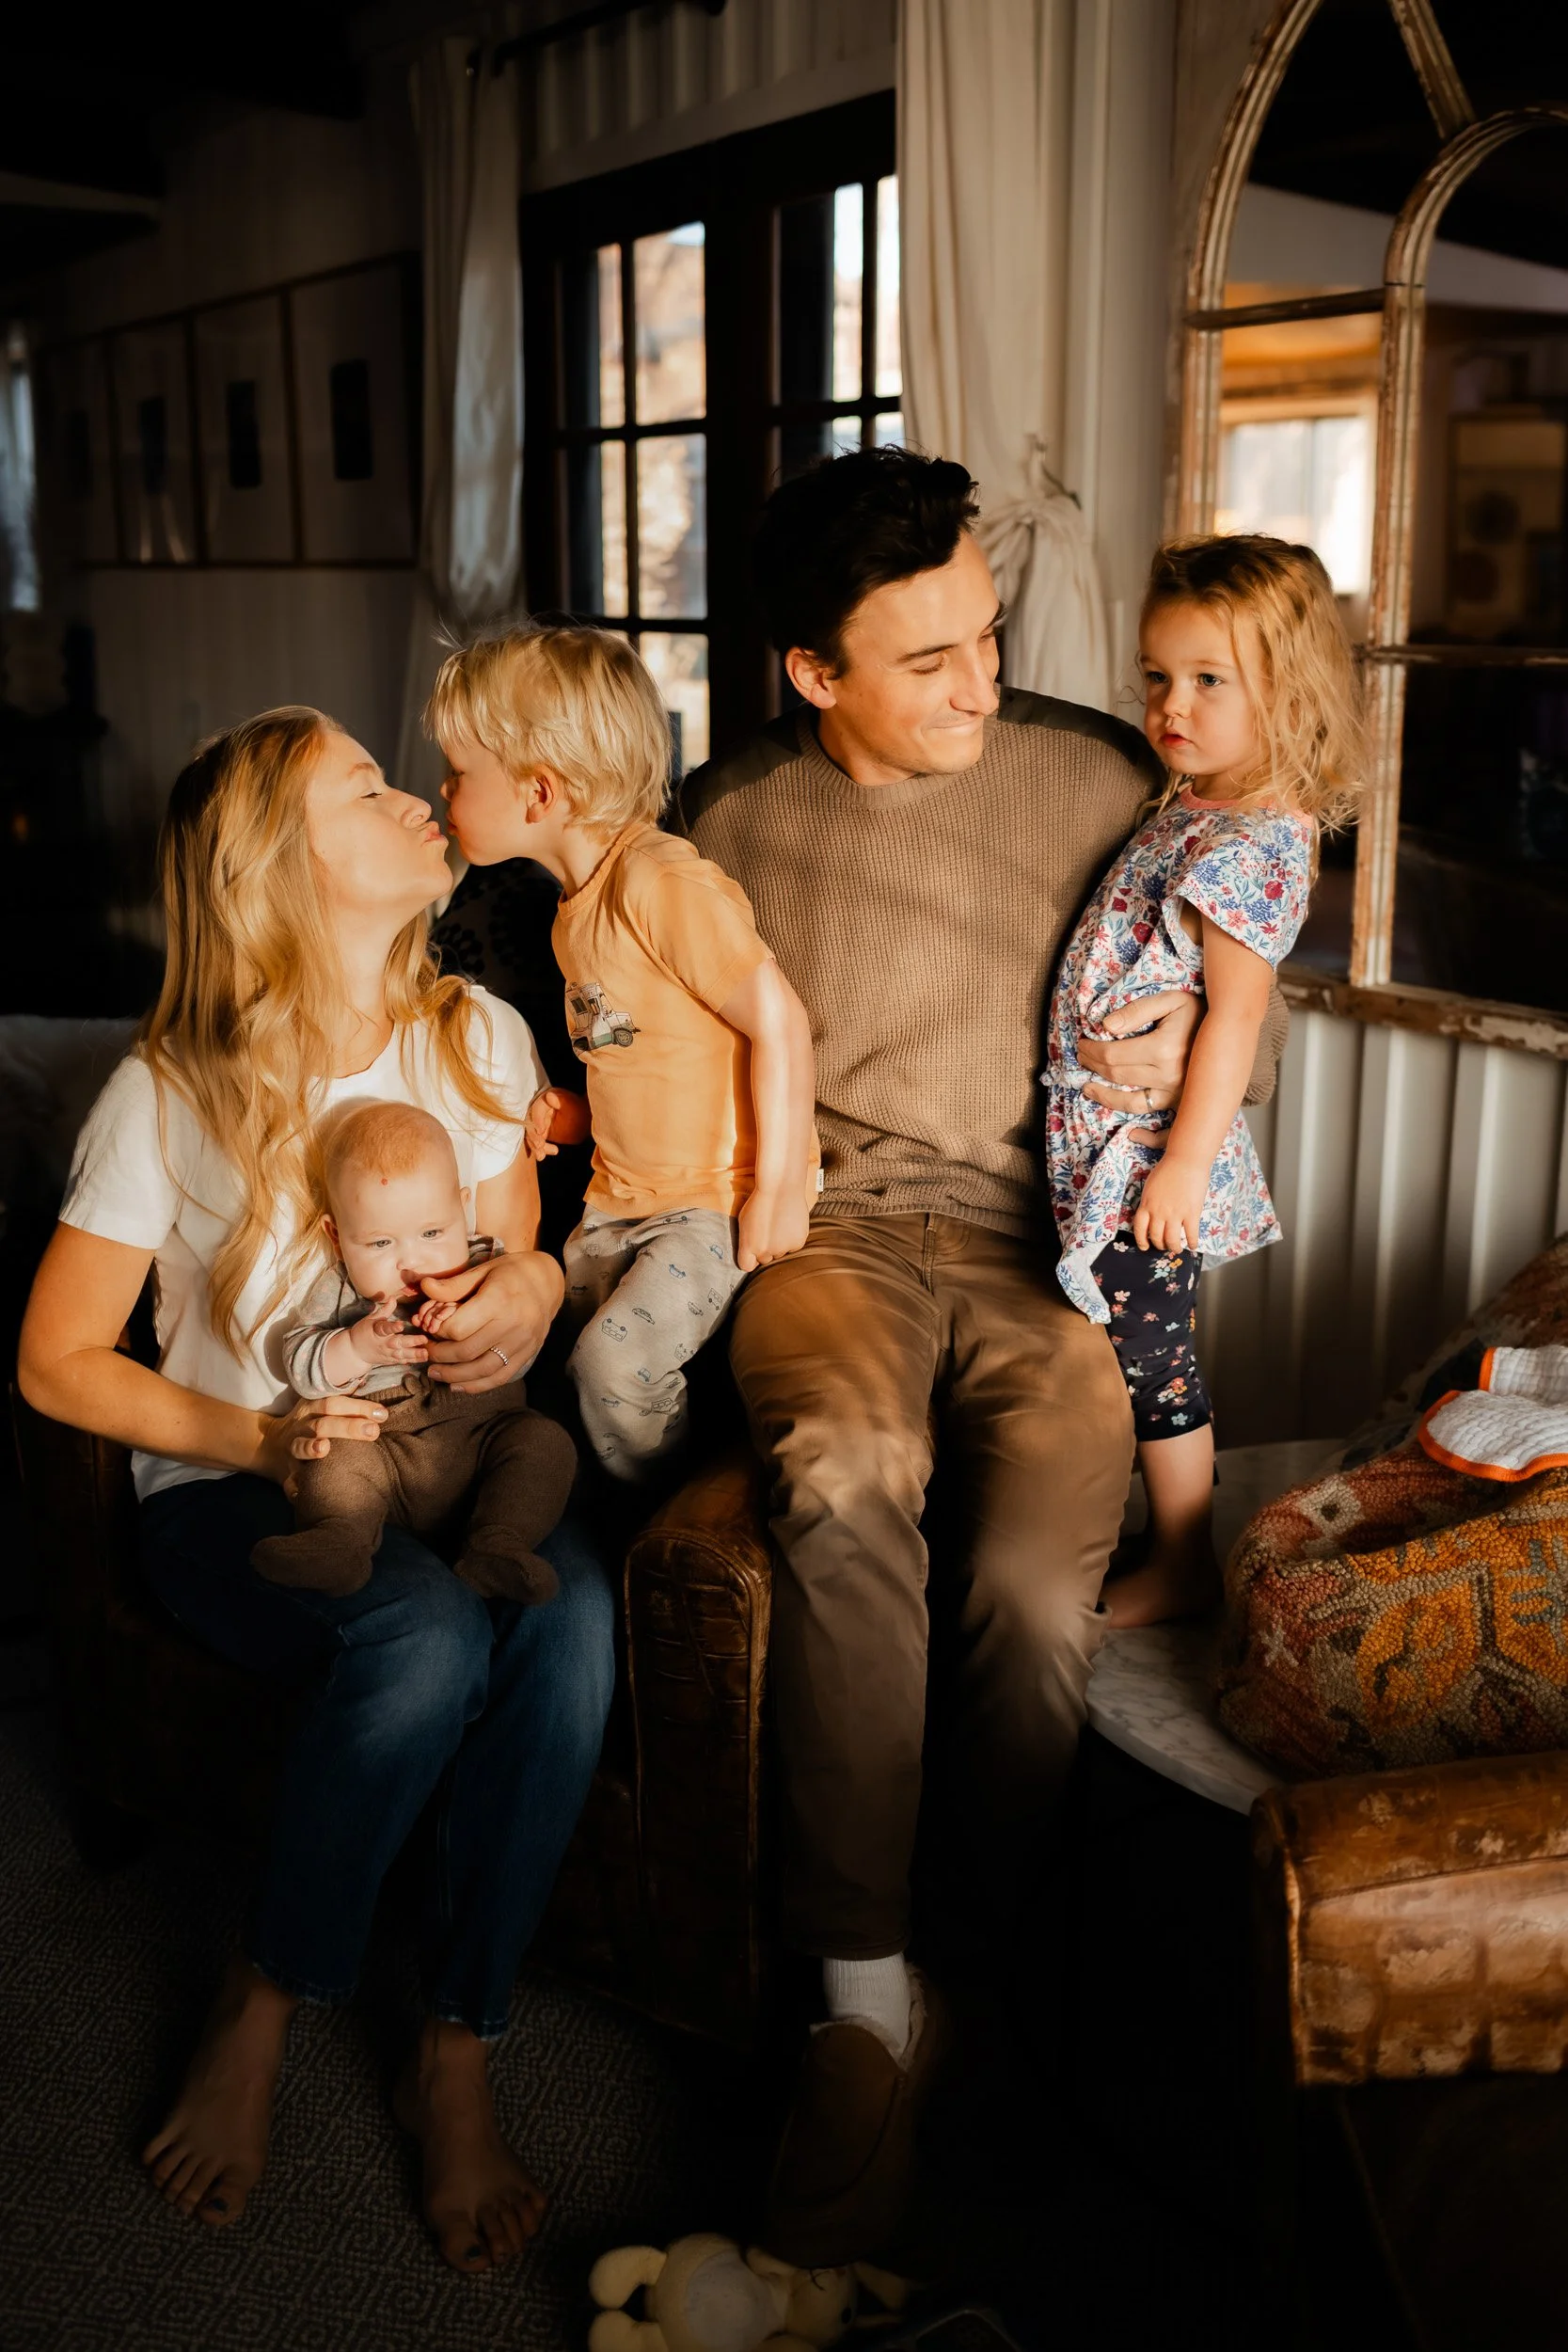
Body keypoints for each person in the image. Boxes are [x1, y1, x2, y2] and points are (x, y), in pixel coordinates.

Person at [671, 448, 1288, 2265]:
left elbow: (1244, 917)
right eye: (925, 656)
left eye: (987, 636)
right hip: (829, 1240)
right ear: (811, 672)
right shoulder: (725, 824)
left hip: (1048, 1251)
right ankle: (861, 2007)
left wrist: (1176, 1067)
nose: (977, 684)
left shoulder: (1104, 776)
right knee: (846, 1481)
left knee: (1036, 1593)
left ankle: (973, 1961)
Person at [16, 709, 614, 2272]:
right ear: (280, 865)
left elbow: (509, 1274)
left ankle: (457, 2041)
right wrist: (269, 1442)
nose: (418, 798)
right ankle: (264, 2000)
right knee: (414, 1638)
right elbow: (56, 1362)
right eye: (369, 787)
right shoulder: (167, 1091)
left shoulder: (482, 1036)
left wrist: (526, 1298)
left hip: (436, 1463)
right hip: (235, 1488)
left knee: (575, 1626)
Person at [1048, 534, 1362, 1628]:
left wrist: (1178, 1166)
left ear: (1285, 690)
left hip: (1146, 1156)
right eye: (1155, 675)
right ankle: (1147, 1534)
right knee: (1119, 1352)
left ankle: (1184, 1556)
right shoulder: (1192, 805)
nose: (1169, 704)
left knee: (1152, 1356)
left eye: (1208, 679)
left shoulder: (1250, 842)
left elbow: (1232, 1015)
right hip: (1111, 1141)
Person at [429, 624, 817, 1485]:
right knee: (562, 1373)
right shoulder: (574, 909)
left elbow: (779, 1021)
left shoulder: (657, 880)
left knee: (606, 1368)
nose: (444, 790)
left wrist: (781, 1189)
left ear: (537, 792)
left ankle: (677, 1524)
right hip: (615, 1204)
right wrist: (574, 1111)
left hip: (705, 1206)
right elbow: (639, 1049)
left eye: (459, 773)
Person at [252, 1098, 577, 1603]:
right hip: (381, 1447)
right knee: (332, 1458)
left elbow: (523, 1346)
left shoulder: (485, 1265)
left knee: (546, 1445)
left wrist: (474, 1331)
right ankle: (339, 1542)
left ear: (462, 1209)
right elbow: (302, 1364)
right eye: (380, 1244)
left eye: (432, 1233)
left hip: (483, 1437)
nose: (410, 1261)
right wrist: (355, 1349)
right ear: (337, 1237)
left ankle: (498, 1544)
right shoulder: (340, 1290)